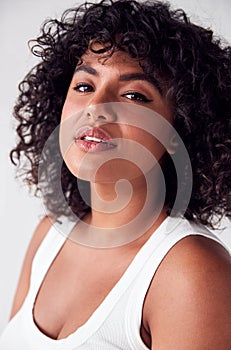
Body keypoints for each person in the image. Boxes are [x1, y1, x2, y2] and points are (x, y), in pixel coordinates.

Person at [1, 0, 231, 348]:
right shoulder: (50, 233)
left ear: (176, 131)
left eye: (134, 95)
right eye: (84, 86)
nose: (96, 108)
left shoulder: (189, 270)